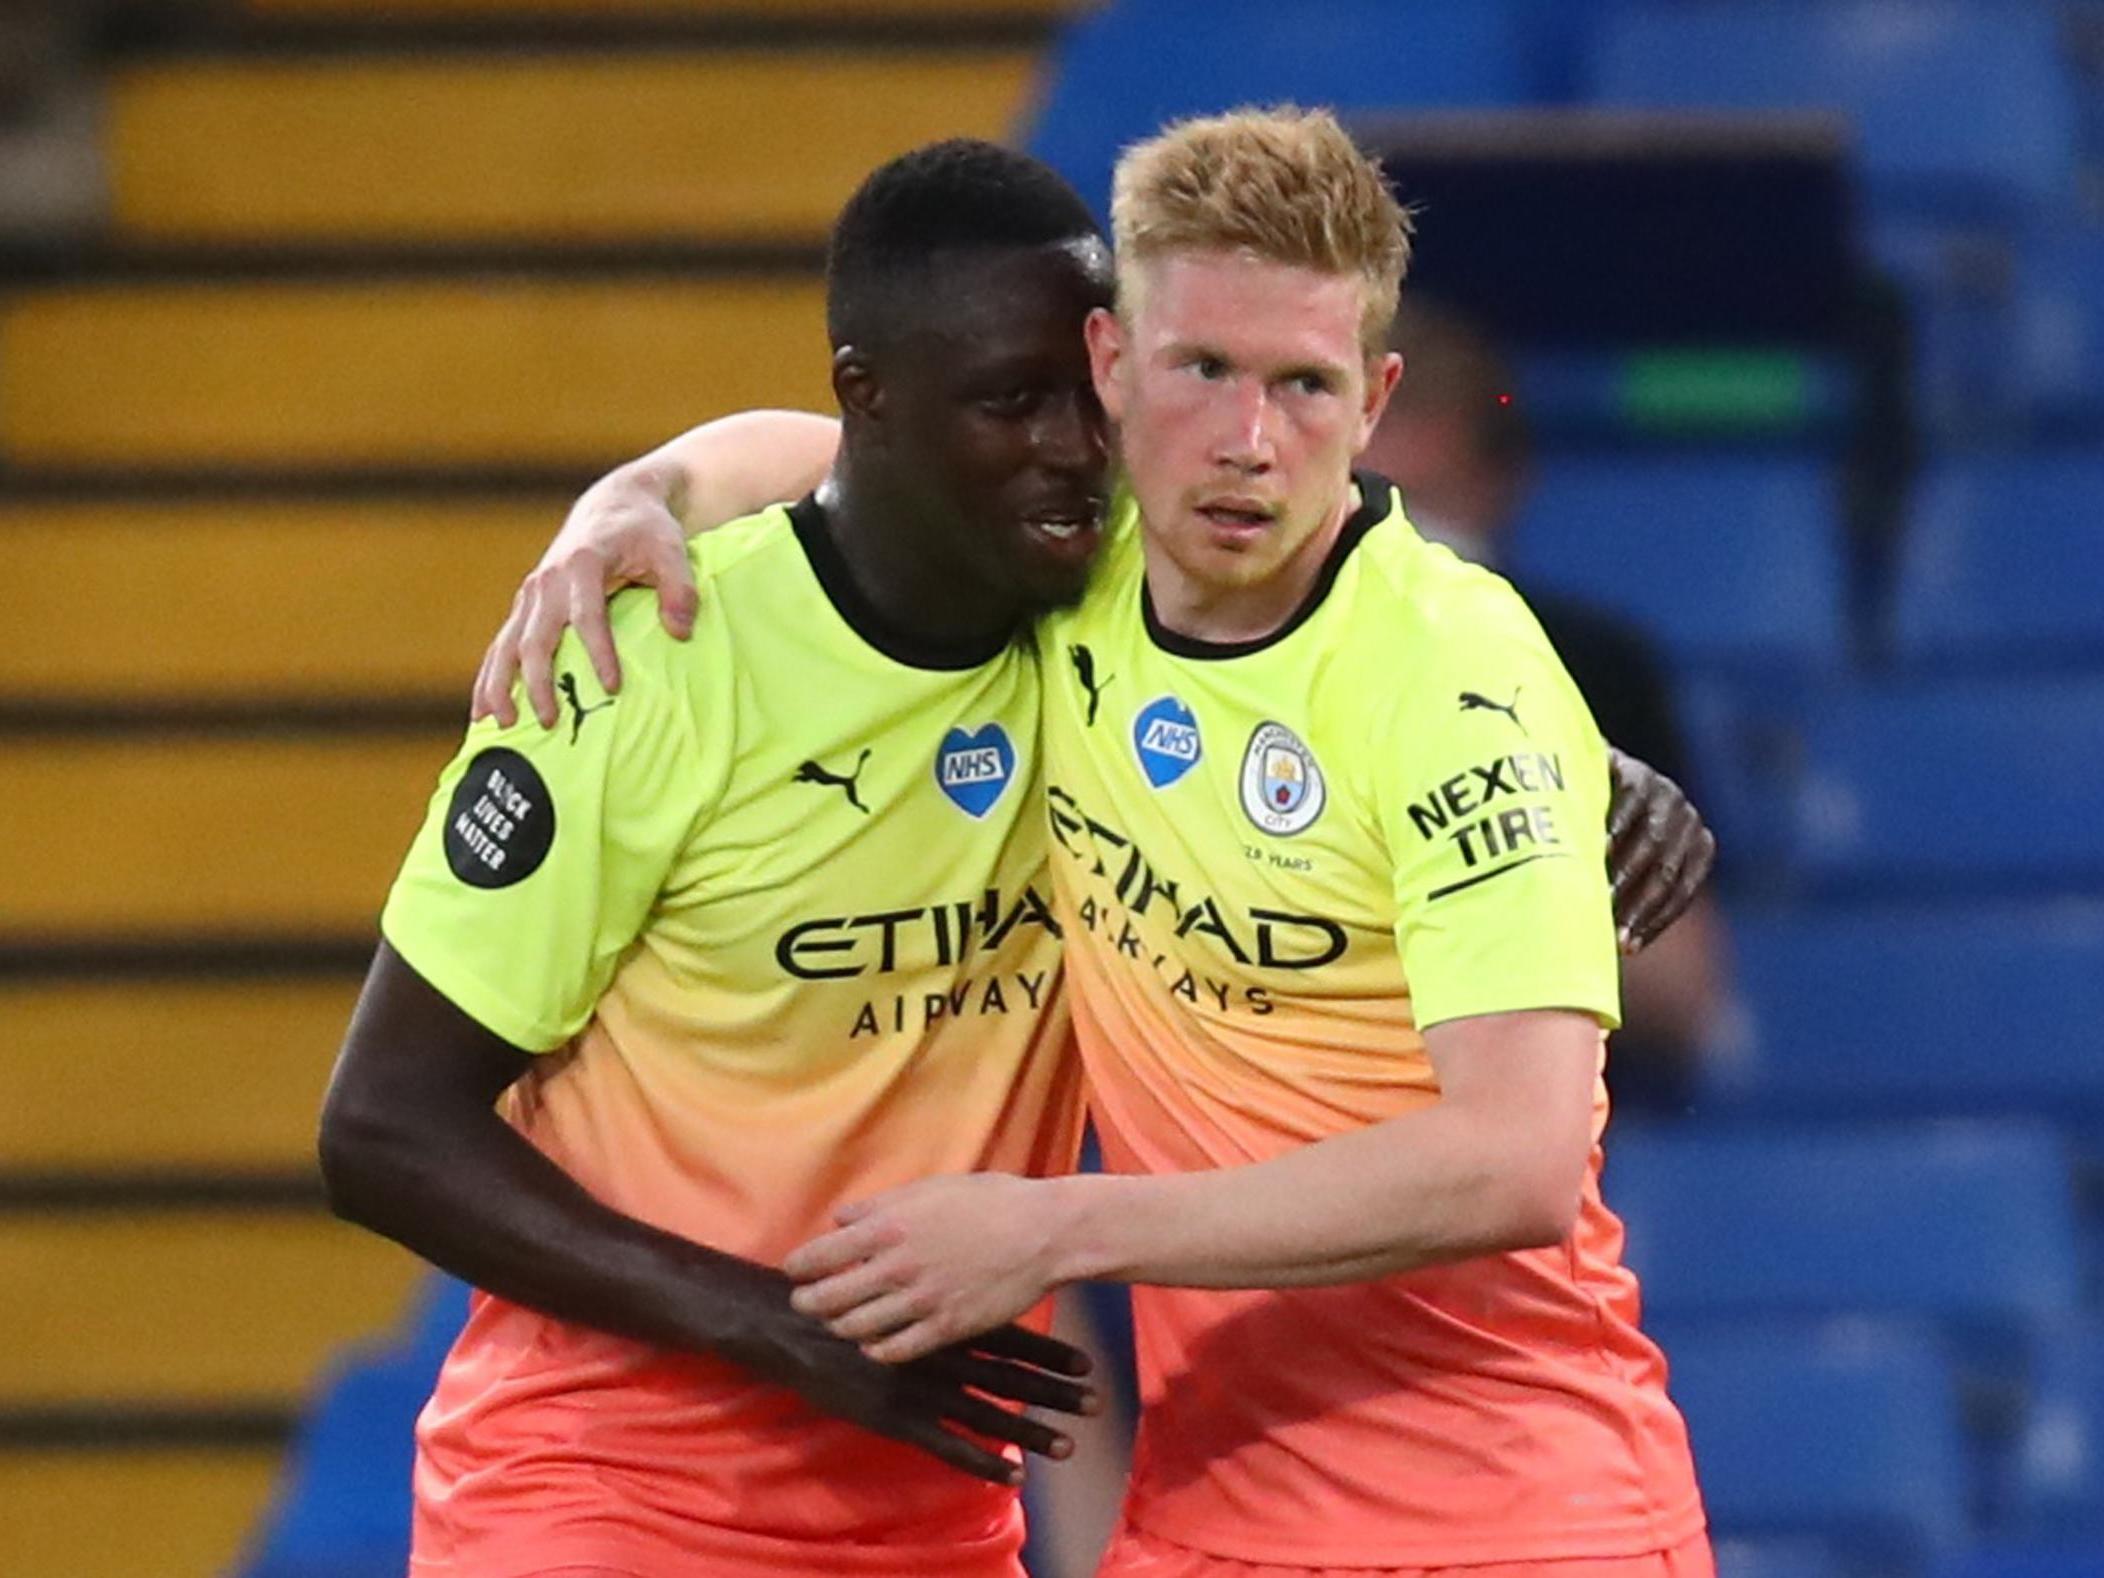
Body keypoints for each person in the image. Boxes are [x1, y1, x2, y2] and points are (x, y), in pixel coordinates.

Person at [471, 112, 1715, 1578]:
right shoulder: (1087, 552)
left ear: (1373, 399)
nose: (1250, 442)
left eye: (1305, 387)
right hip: (1207, 1518)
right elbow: (821, 453)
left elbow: (1513, 1161)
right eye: (1205, 371)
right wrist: (634, 497)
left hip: (1511, 1512)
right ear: (1115, 365)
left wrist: (1061, 1229)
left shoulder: (1453, 671)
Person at [317, 140, 1121, 1578]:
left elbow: (1371, 636)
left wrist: (1578, 757)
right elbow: (382, 1127)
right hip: (598, 1502)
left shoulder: (1114, 622)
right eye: (1012, 402)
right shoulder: (643, 669)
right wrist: (772, 1325)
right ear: (866, 401)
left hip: (929, 1518)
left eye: (1095, 394)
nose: (1073, 445)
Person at [1360, 298, 1732, 1111]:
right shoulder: (1210, 653)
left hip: (1542, 1136)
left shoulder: (1588, 663)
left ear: (1501, 479)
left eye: (1412, 420)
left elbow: (1682, 992)